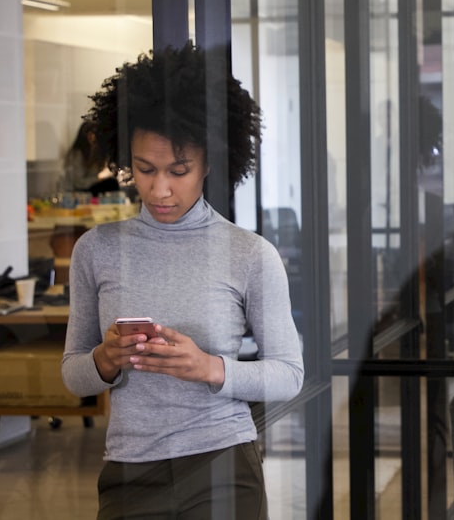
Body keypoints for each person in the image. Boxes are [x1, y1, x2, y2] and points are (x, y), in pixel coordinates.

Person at [61, 43, 304, 520]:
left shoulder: (249, 254)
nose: (160, 189)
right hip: (130, 469)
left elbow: (288, 374)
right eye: (144, 170)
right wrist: (105, 360)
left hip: (223, 464)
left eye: (179, 170)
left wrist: (210, 368)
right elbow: (73, 376)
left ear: (210, 163)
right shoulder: (97, 249)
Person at [61, 121, 118, 195]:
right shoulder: (77, 154)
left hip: (91, 186)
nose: (93, 137)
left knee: (112, 182)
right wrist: (99, 178)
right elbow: (79, 182)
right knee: (111, 183)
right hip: (80, 190)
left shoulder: (97, 152)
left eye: (95, 134)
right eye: (90, 134)